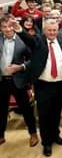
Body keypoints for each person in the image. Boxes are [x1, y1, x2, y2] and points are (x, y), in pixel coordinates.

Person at [17, 19, 62, 157]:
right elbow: (28, 39)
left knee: (56, 114)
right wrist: (18, 29)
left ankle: (55, 136)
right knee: (44, 115)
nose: (52, 32)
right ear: (45, 30)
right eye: (49, 30)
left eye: (54, 30)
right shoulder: (39, 43)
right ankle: (46, 143)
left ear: (57, 31)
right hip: (43, 86)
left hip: (59, 85)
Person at [0, 15, 39, 147]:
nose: (7, 29)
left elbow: (34, 59)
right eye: (4, 27)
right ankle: (1, 136)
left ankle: (33, 134)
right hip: (2, 80)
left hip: (18, 80)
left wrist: (20, 67)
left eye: (10, 26)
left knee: (26, 109)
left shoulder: (23, 40)